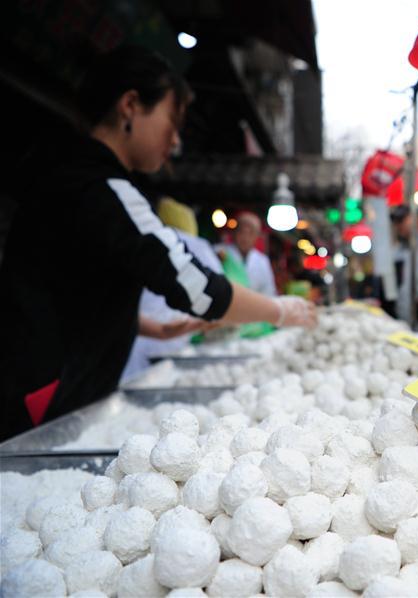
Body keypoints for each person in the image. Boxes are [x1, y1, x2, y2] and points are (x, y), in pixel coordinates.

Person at [0, 45, 314, 441]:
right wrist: (278, 311)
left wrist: (151, 329)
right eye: (172, 120)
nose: (176, 140)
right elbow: (194, 286)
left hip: (48, 383)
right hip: (46, 393)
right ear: (130, 105)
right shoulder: (103, 187)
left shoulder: (72, 174)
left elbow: (73, 285)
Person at [120, 197, 224, 383]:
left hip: (137, 338)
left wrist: (162, 330)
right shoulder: (195, 246)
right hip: (166, 337)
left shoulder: (143, 241)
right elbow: (218, 293)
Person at [390, 205, 418, 324]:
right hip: (402, 318)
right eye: (396, 222)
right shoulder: (397, 252)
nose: (399, 225)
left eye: (402, 220)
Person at [219, 212, 277, 297]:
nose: (245, 237)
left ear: (257, 236)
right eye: (241, 231)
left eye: (251, 233)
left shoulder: (262, 261)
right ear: (234, 232)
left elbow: (269, 292)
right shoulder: (220, 252)